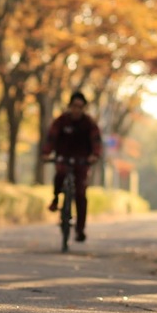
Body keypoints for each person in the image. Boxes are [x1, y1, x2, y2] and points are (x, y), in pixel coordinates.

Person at [41, 91, 102, 242]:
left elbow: (96, 142)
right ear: (70, 106)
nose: (77, 110)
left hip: (81, 161)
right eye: (74, 106)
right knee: (60, 174)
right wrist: (46, 153)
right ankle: (56, 199)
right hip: (64, 158)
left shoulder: (89, 124)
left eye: (80, 107)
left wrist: (94, 155)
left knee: (81, 194)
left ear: (84, 108)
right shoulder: (61, 121)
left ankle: (80, 229)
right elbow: (51, 137)